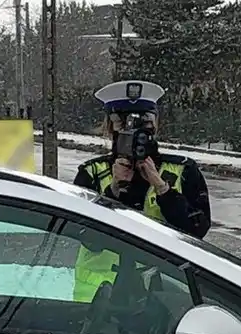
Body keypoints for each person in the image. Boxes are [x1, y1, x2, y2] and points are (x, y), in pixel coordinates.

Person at [70, 80, 212, 303]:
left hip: (164, 297)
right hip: (98, 300)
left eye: (143, 122)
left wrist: (163, 188)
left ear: (156, 126)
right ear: (110, 128)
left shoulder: (182, 170)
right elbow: (87, 238)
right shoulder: (93, 173)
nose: (135, 132)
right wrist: (113, 191)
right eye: (123, 123)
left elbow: (197, 231)